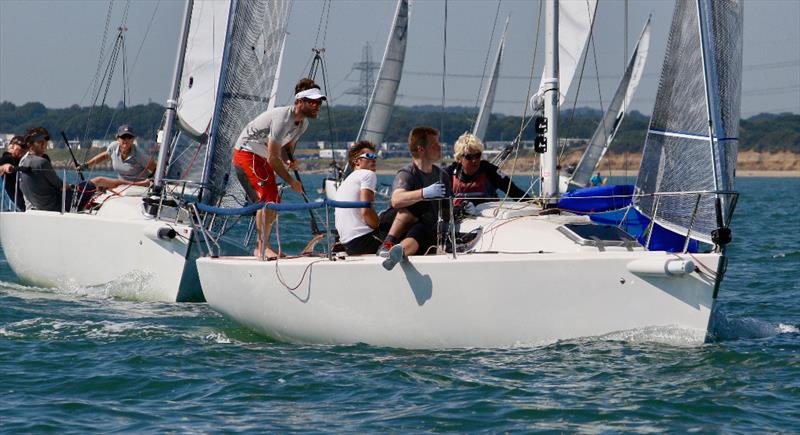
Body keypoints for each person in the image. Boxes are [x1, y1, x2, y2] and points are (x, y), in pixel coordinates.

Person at [232, 78, 326, 259]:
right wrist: (291, 181)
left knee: (274, 199)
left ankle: (264, 245)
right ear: (299, 102)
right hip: (247, 153)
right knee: (267, 198)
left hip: (262, 156)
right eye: (313, 102)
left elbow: (286, 148)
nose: (317, 106)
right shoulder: (282, 118)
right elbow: (273, 157)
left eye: (319, 102)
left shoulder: (303, 124)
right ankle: (260, 248)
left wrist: (290, 159)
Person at [377, 126, 452, 270]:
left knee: (422, 229)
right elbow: (396, 199)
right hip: (395, 226)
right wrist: (424, 193)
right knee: (415, 207)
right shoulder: (407, 173)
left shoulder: (443, 175)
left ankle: (397, 253)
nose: (440, 147)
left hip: (421, 229)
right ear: (421, 149)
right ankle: (388, 244)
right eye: (435, 144)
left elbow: (446, 209)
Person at [18, 127, 94, 212]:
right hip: (55, 206)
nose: (44, 145)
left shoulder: (22, 162)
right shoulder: (42, 162)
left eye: (45, 142)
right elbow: (61, 186)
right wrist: (72, 186)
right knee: (93, 184)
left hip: (34, 206)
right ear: (30, 145)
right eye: (40, 142)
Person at [444, 132, 528, 207]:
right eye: (469, 157)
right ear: (459, 159)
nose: (474, 160)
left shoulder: (490, 171)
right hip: (461, 220)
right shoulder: (450, 173)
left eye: (477, 155)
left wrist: (534, 203)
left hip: (488, 220)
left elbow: (514, 191)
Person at [334, 141, 382, 255]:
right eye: (369, 156)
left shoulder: (346, 182)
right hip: (363, 241)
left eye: (375, 156)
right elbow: (365, 211)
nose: (374, 159)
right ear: (356, 161)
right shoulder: (368, 174)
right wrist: (378, 224)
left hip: (347, 243)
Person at [78, 125, 156, 189]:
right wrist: (85, 165)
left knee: (99, 180)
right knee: (97, 185)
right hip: (121, 185)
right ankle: (78, 191)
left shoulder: (139, 155)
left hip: (138, 186)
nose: (126, 140)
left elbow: (155, 169)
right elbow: (104, 156)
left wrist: (151, 183)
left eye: (129, 137)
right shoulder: (114, 146)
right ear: (118, 138)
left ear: (133, 139)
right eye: (123, 137)